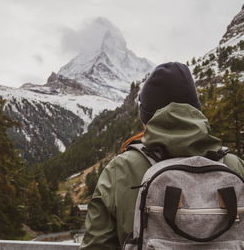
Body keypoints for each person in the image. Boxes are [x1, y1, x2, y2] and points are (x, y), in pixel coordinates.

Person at [79, 62, 244, 250]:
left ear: (145, 119)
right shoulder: (234, 165)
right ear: (196, 112)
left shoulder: (121, 169)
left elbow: (96, 245)